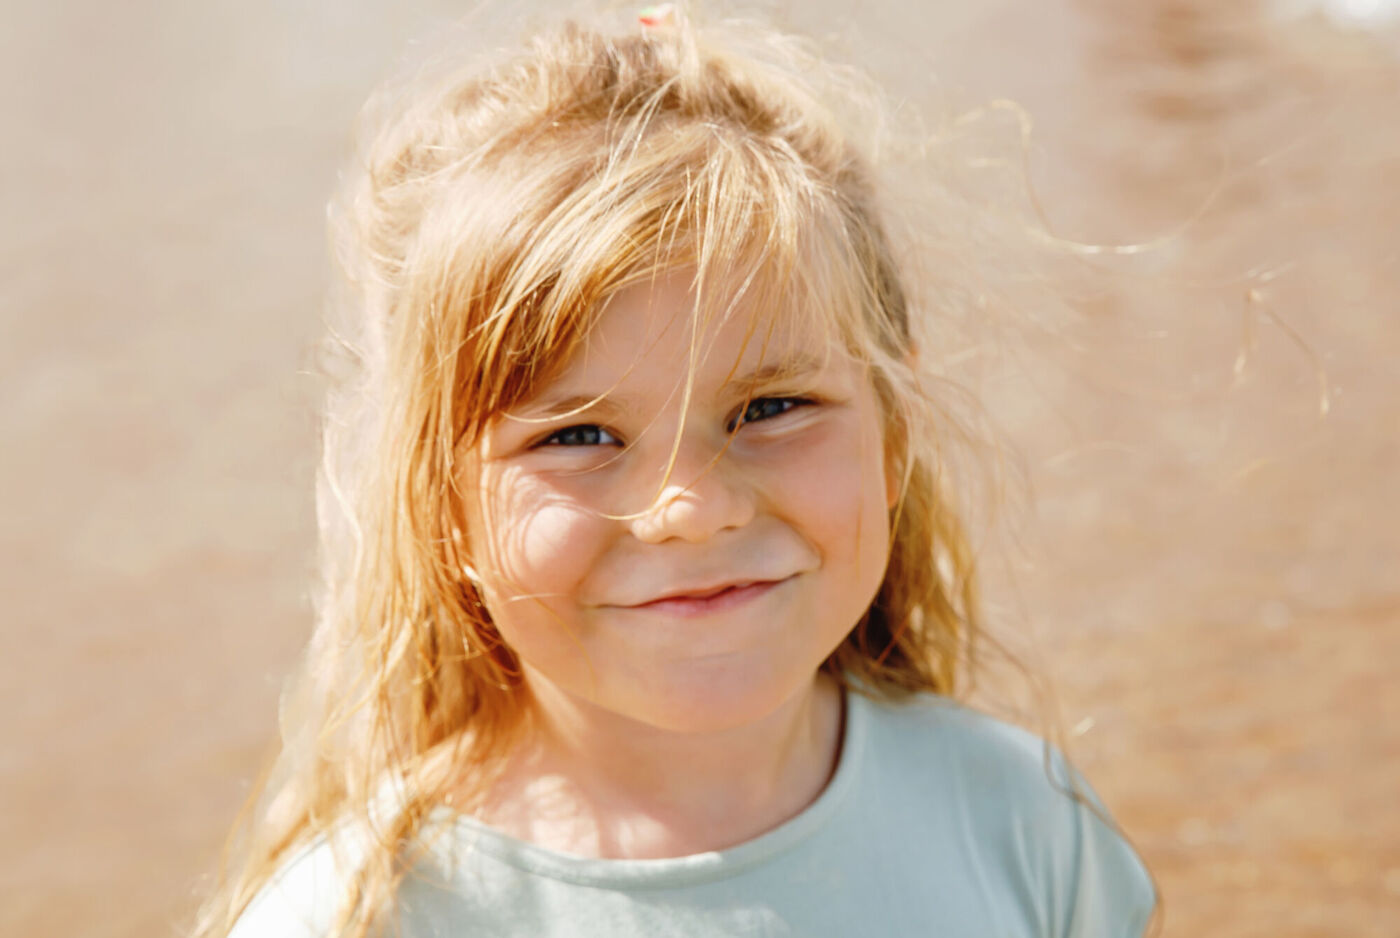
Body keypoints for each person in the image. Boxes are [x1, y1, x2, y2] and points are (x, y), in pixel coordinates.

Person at [196, 4, 1160, 936]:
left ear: (894, 432)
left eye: (771, 409)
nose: (691, 511)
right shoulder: (359, 917)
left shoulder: (1025, 824)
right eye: (576, 437)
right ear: (437, 503)